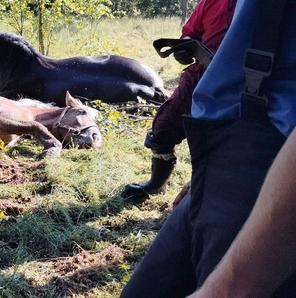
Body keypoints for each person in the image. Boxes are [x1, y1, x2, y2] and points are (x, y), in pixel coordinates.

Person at [121, 0, 296, 296]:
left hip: (276, 157)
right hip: (224, 145)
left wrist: (227, 289)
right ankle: (158, 180)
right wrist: (205, 176)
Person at [124, 0, 236, 202]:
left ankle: (212, 195)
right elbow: (190, 33)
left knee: (223, 143)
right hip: (201, 77)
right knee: (164, 127)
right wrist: (183, 48)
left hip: (245, 85)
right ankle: (156, 184)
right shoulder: (211, 2)